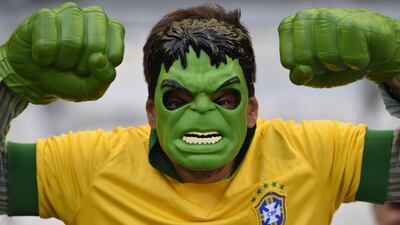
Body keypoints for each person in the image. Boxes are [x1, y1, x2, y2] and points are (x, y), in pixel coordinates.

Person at [0, 2, 399, 225]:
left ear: (251, 110)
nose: (203, 111)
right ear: (152, 112)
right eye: (178, 100)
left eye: (225, 98)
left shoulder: (313, 154)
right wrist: (8, 83)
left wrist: (396, 67)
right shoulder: (88, 166)